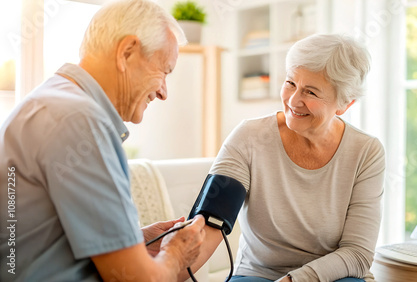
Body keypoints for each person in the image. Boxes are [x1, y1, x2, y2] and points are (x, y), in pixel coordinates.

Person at [0, 0, 209, 281]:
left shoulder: (53, 99)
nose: (163, 92)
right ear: (127, 52)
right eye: (164, 71)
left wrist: (134, 241)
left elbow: (45, 241)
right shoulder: (80, 121)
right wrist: (176, 255)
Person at [202, 34, 385, 282]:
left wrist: (294, 280)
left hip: (334, 277)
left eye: (310, 91)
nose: (293, 100)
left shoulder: (366, 152)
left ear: (344, 104)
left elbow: (358, 254)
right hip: (258, 274)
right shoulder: (249, 136)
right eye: (290, 83)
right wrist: (171, 266)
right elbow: (211, 221)